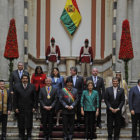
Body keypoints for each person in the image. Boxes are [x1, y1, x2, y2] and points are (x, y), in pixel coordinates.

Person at [14, 74, 36, 140]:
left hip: (29, 108)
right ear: (21, 79)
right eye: (23, 78)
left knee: (29, 122)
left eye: (26, 78)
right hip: (20, 108)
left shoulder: (32, 86)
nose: (25, 80)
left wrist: (34, 107)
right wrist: (15, 108)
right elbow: (15, 98)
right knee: (21, 122)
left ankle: (29, 135)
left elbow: (35, 98)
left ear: (28, 79)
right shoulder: (17, 86)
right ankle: (21, 135)